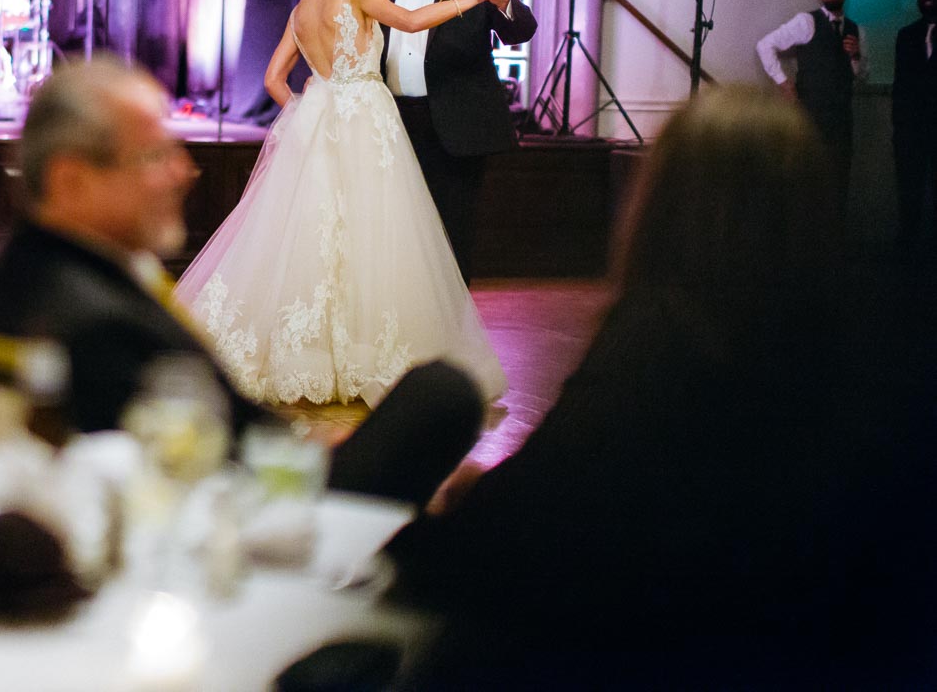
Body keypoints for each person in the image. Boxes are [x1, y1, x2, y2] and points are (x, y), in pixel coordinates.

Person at [379, 87, 937, 685]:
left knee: (434, 401)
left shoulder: (656, 346)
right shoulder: (878, 356)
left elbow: (499, 539)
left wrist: (456, 502)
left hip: (620, 652)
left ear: (664, 205)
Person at [0, 56, 487, 506]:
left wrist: (299, 443)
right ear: (70, 179)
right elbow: (196, 471)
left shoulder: (47, 268)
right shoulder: (85, 319)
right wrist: (295, 461)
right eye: (155, 156)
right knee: (444, 397)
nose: (184, 171)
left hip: (263, 468)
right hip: (264, 509)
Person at [174, 0, 507, 409]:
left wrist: (309, 107)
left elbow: (272, 80)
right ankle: (363, 355)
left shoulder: (301, 7)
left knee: (310, 235)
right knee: (373, 235)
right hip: (366, 120)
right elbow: (412, 22)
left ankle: (308, 355)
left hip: (322, 121)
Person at [377, 0, 538, 285]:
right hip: (391, 123)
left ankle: (451, 328)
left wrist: (502, 1)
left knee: (452, 231)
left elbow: (522, 30)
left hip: (454, 125)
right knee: (393, 230)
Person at [755, 0, 866, 202]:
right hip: (810, 120)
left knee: (838, 189)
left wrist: (856, 56)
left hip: (842, 122)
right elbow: (765, 45)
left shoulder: (857, 29)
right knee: (807, 188)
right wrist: (784, 83)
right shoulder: (807, 22)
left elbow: (860, 76)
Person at [892, 0, 937, 260]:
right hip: (911, 132)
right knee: (909, 190)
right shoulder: (906, 34)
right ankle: (908, 249)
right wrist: (898, 129)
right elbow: (900, 85)